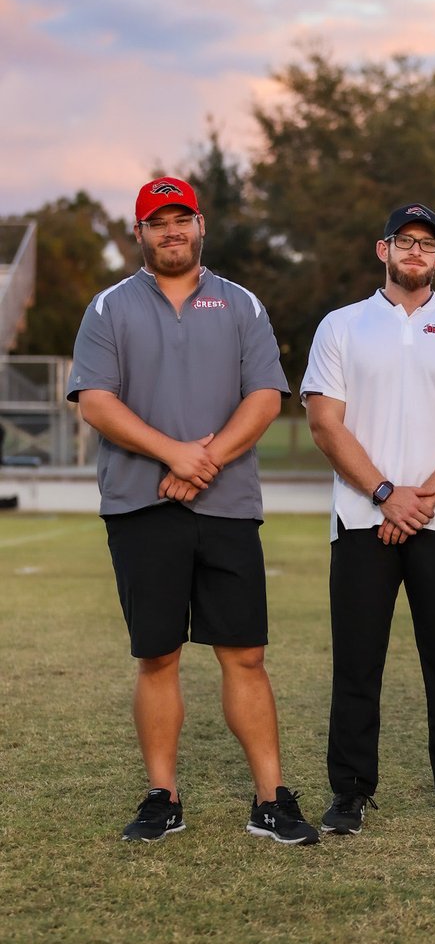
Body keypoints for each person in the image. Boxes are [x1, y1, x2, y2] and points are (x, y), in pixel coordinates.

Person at [67, 176, 318, 846]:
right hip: (140, 506)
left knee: (246, 655)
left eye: (181, 220)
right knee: (158, 656)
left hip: (228, 506)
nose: (171, 231)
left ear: (200, 224)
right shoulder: (109, 307)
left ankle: (271, 798)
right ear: (139, 232)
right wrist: (175, 454)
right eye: (157, 222)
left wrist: (203, 462)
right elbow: (95, 401)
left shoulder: (241, 304)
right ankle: (162, 796)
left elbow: (265, 395)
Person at [301, 203, 435, 835]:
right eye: (404, 241)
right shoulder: (342, 325)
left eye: (428, 244)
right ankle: (351, 791)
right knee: (358, 663)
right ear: (382, 249)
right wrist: (386, 494)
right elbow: (324, 423)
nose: (416, 252)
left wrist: (419, 501)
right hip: (362, 519)